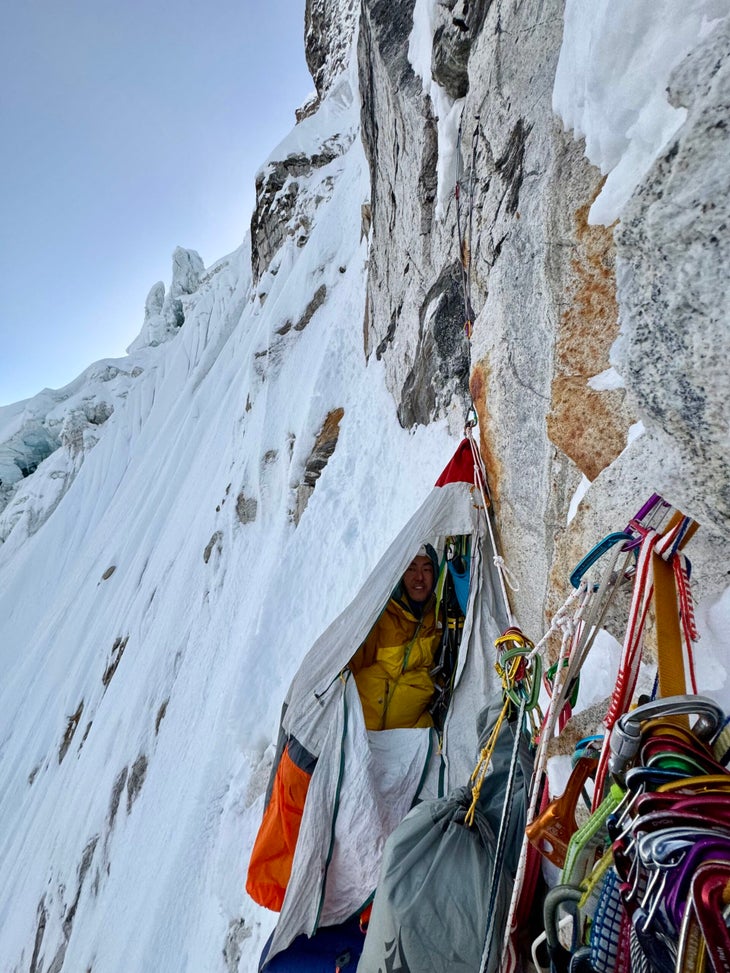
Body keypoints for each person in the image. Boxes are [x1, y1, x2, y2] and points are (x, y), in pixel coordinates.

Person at [349, 544, 442, 730]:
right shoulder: (381, 615)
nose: (419, 578)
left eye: (427, 569)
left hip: (412, 734)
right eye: (411, 569)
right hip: (365, 732)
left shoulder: (437, 617)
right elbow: (349, 667)